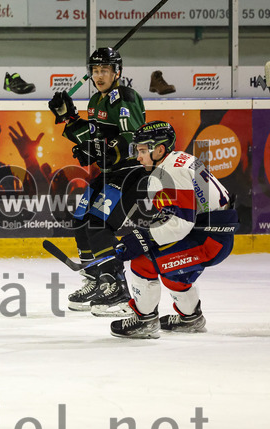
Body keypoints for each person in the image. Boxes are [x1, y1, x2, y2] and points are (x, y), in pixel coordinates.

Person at [91, 121, 237, 338]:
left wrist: (142, 238)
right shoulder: (178, 160)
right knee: (172, 272)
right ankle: (190, 319)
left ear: (159, 149)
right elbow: (177, 216)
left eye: (142, 151)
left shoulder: (171, 171)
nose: (138, 157)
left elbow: (180, 223)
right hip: (210, 234)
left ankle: (145, 322)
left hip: (209, 240)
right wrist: (145, 236)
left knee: (144, 262)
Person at [48, 47, 147, 317]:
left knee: (98, 223)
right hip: (108, 173)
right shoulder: (95, 101)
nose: (99, 75)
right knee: (81, 219)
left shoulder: (125, 98)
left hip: (130, 173)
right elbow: (91, 138)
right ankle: (96, 279)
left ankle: (116, 287)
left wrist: (101, 149)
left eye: (105, 70)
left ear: (117, 72)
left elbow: (133, 140)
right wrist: (69, 117)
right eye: (95, 70)